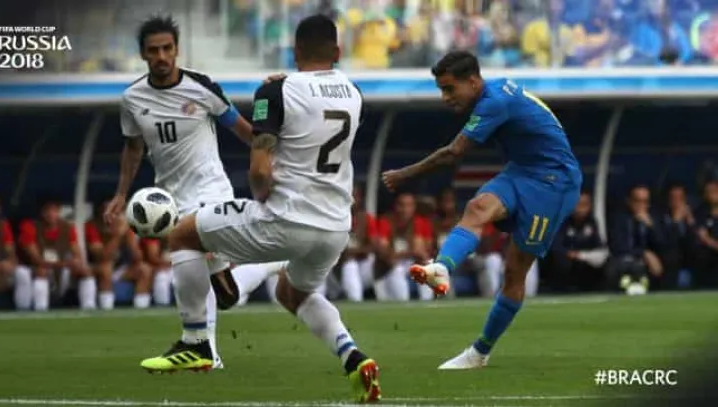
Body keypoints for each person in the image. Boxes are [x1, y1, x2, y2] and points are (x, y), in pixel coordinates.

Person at [163, 15, 380, 402]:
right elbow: (319, 116)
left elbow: (260, 169)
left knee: (182, 234)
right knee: (291, 294)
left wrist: (261, 197)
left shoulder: (274, 92)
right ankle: (352, 355)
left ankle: (196, 342)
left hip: (287, 217)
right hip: (334, 226)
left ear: (295, 51)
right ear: (338, 51)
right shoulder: (355, 93)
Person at [105, 15, 286, 371]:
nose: (161, 56)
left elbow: (244, 131)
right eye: (154, 50)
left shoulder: (201, 88)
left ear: (177, 50)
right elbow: (133, 148)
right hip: (169, 199)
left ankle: (205, 351)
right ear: (143, 54)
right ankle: (272, 263)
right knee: (225, 293)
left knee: (193, 262)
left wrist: (275, 164)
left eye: (167, 48)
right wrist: (121, 193)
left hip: (210, 191)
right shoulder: (132, 99)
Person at [382, 50, 582, 369]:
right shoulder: (494, 93)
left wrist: (404, 174)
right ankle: (442, 266)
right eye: (441, 90)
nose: (445, 97)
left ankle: (480, 352)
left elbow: (454, 153)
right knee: (477, 207)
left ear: (473, 81)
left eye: (450, 89)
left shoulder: (494, 102)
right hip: (523, 170)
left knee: (514, 271)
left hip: (553, 182)